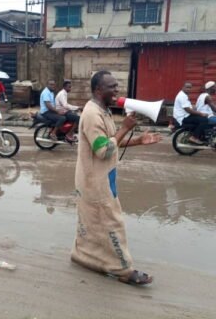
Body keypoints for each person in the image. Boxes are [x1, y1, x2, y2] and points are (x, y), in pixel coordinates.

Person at [71, 70, 160, 285]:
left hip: (101, 176)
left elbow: (112, 141)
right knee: (113, 222)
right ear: (98, 90)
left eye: (117, 86)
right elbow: (104, 150)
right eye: (112, 86)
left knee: (92, 222)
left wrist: (138, 140)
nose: (117, 90)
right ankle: (123, 270)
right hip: (95, 181)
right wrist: (124, 128)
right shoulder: (92, 114)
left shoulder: (104, 111)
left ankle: (82, 256)